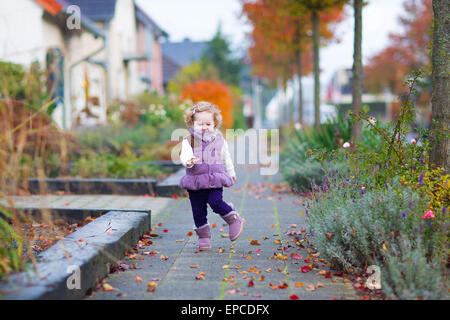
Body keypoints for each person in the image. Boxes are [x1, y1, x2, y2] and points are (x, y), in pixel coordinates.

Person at [178, 101, 245, 251]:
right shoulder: (188, 140)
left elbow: (225, 157)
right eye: (200, 124)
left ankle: (233, 219)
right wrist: (189, 161)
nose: (204, 127)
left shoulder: (220, 140)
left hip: (215, 179)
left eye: (208, 124)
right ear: (192, 123)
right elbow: (184, 155)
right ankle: (203, 237)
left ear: (214, 124)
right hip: (195, 181)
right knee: (198, 210)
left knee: (215, 202)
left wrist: (231, 173)